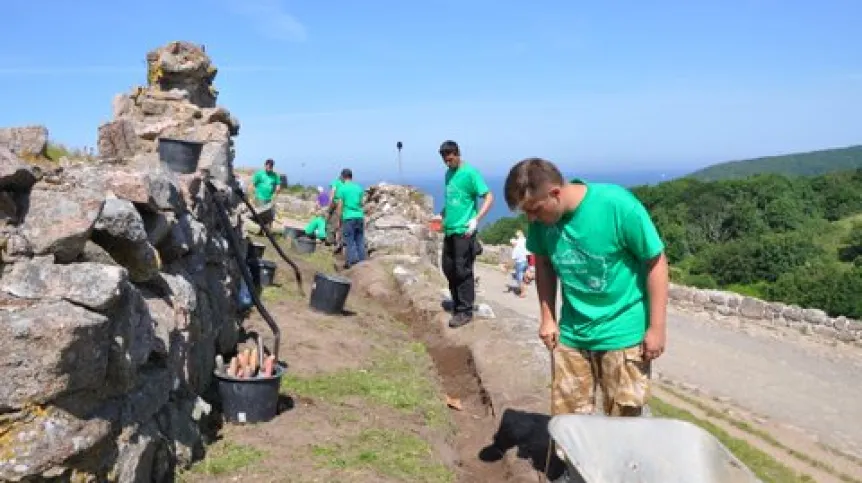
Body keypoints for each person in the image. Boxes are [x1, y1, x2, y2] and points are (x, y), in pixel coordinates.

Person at [503, 157, 668, 421]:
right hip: (572, 334)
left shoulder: (617, 206)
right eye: (526, 213)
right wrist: (548, 317)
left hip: (623, 335)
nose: (532, 218)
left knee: (624, 425)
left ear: (555, 193)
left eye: (535, 209)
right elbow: (543, 263)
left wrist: (657, 328)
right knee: (569, 423)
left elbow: (656, 262)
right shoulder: (541, 223)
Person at [434, 140, 494, 328]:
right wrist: (440, 214)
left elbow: (489, 197)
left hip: (464, 232)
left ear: (457, 154)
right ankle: (458, 303)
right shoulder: (448, 175)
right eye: (444, 158)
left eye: (450, 157)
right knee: (448, 267)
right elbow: (452, 200)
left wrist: (476, 219)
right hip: (450, 230)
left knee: (463, 270)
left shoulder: (470, 173)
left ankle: (465, 311)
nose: (447, 161)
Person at [333, 168, 366, 268]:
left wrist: (338, 220)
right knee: (360, 241)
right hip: (359, 216)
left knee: (349, 241)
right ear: (351, 177)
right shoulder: (359, 188)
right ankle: (362, 263)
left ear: (343, 177)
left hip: (348, 217)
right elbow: (361, 203)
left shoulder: (342, 188)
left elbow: (340, 206)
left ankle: (351, 264)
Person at [325, 172, 345, 247]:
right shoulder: (346, 184)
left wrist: (329, 204)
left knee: (330, 222)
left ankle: (330, 240)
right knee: (340, 223)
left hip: (336, 204)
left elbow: (332, 192)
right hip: (344, 205)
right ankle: (339, 241)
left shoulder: (335, 182)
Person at [511, 230, 529, 298]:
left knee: (519, 278)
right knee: (524, 277)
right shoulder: (525, 241)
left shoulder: (516, 245)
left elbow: (513, 258)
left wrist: (508, 266)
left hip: (519, 262)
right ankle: (524, 289)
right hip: (525, 261)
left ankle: (523, 292)